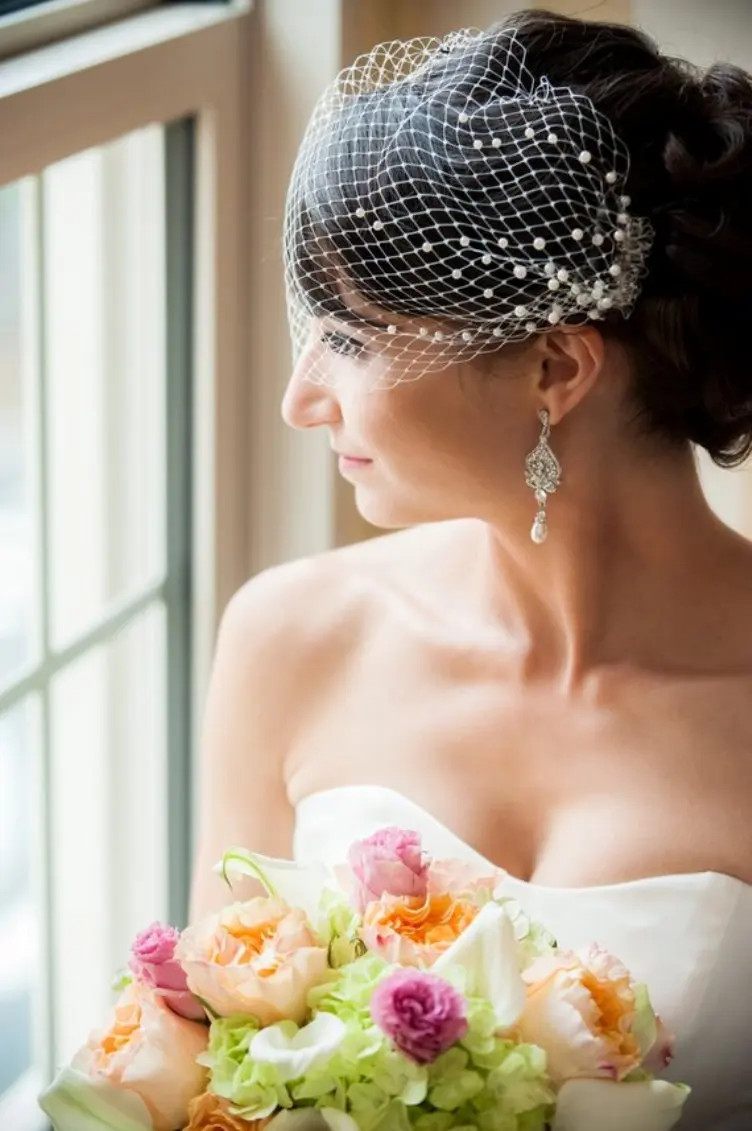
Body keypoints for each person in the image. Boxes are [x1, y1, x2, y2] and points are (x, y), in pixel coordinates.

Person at [190, 10, 752, 1129]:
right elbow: (209, 1060)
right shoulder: (292, 636)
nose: (302, 398)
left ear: (553, 367)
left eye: (349, 333)